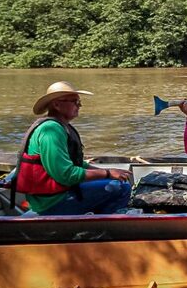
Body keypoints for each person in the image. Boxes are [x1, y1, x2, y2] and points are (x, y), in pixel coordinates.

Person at [13, 81, 133, 215]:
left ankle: (93, 218)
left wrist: (107, 172)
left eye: (79, 102)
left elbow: (77, 164)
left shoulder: (60, 126)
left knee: (112, 180)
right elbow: (65, 175)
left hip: (59, 193)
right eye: (75, 102)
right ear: (57, 104)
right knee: (121, 188)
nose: (79, 105)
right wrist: (108, 173)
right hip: (52, 202)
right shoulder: (50, 130)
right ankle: (103, 229)